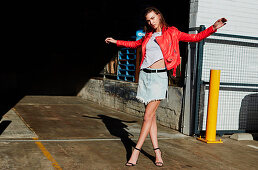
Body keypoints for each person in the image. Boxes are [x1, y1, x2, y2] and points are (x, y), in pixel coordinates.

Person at [105, 6, 227, 167]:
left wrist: (213, 28)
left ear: (159, 16)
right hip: (145, 76)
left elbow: (195, 38)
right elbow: (135, 44)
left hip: (159, 77)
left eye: (153, 18)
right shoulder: (148, 35)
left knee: (147, 116)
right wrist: (116, 42)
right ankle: (157, 152)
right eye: (148, 20)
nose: (151, 22)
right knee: (152, 117)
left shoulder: (172, 32)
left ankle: (136, 151)